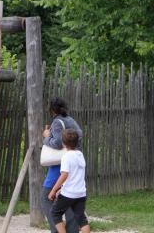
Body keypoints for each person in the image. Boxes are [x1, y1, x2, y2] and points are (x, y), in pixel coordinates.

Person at [42, 98, 83, 233]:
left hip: (59, 165)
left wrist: (47, 136)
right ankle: (72, 230)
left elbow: (58, 143)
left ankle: (57, 230)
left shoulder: (57, 122)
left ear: (52, 110)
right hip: (72, 161)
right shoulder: (71, 120)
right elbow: (79, 136)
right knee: (69, 199)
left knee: (46, 197)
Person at [49, 129, 90, 233]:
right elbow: (74, 175)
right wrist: (62, 189)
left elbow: (65, 175)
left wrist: (54, 190)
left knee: (55, 213)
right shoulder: (80, 155)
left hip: (69, 194)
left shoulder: (66, 156)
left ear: (63, 143)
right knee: (81, 218)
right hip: (81, 193)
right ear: (77, 142)